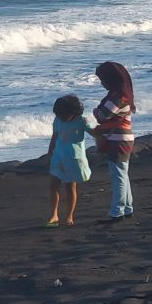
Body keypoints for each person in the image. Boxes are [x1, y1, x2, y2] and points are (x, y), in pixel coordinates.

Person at [93, 61, 136, 223]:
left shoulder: (118, 96)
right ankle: (127, 207)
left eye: (102, 80)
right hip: (123, 138)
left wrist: (95, 111)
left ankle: (117, 211)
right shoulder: (124, 94)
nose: (102, 83)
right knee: (122, 174)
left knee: (118, 175)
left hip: (118, 139)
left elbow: (103, 115)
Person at [46, 95, 94, 227]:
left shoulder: (81, 120)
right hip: (58, 156)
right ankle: (53, 215)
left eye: (63, 114)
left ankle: (69, 215)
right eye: (59, 114)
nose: (61, 117)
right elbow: (54, 136)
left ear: (73, 112)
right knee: (53, 184)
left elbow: (93, 132)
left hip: (73, 158)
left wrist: (104, 139)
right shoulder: (58, 120)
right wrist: (49, 153)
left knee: (69, 187)